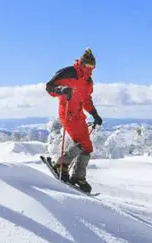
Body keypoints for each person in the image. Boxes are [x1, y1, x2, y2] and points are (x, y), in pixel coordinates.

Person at [45, 48, 103, 193]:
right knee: (83, 144)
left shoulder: (88, 82)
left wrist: (95, 114)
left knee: (88, 147)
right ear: (82, 64)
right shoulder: (69, 72)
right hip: (67, 113)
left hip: (78, 114)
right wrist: (61, 90)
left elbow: (86, 100)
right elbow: (49, 87)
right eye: (87, 66)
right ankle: (61, 165)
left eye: (92, 67)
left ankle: (78, 177)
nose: (90, 70)